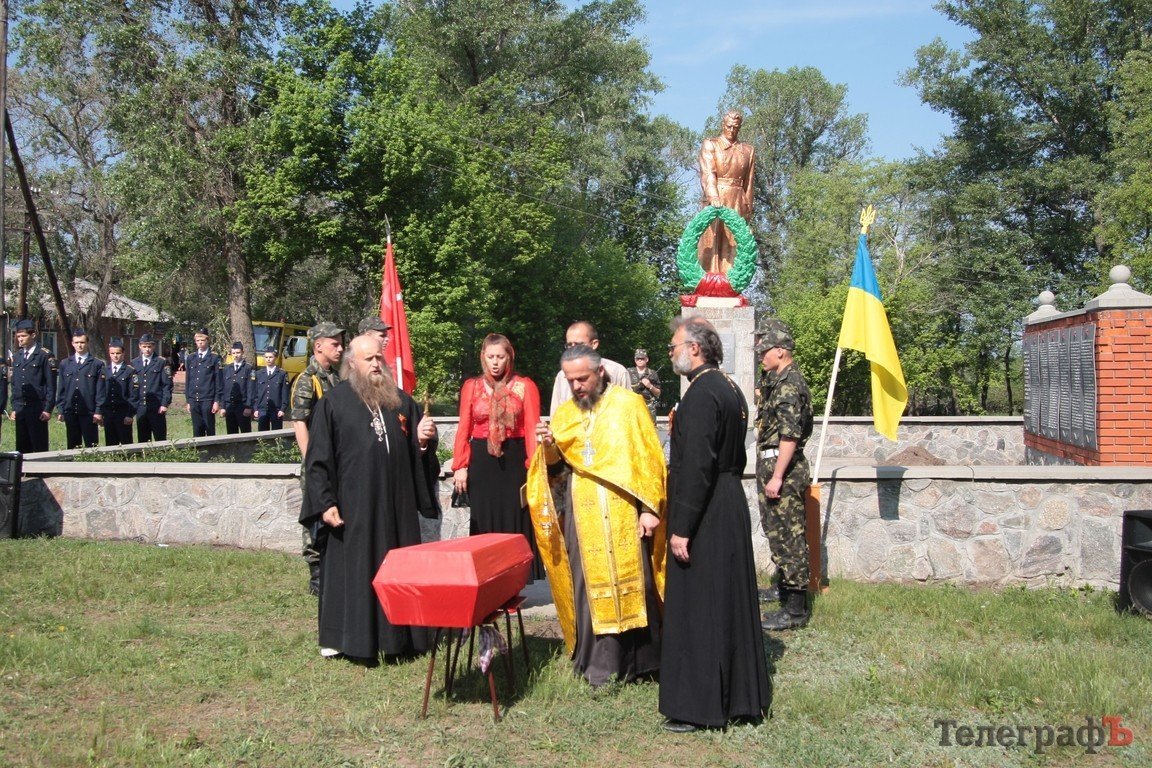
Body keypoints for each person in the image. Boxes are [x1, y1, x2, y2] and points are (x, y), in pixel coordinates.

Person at [527, 344, 666, 687]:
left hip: (625, 509)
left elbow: (649, 459)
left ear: (600, 372)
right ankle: (598, 667)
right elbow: (555, 470)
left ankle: (643, 662)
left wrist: (649, 510)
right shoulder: (564, 415)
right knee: (587, 585)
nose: (577, 387)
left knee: (638, 582)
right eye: (571, 380)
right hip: (582, 512)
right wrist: (547, 446)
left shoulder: (629, 405)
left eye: (583, 379)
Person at [659, 315, 770, 732]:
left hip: (707, 508)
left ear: (695, 348)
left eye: (674, 346)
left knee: (701, 604)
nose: (670, 353)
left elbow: (697, 467)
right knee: (726, 600)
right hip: (727, 502)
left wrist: (682, 526)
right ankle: (739, 697)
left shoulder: (703, 393)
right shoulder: (729, 387)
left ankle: (700, 706)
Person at [302, 334, 440, 663]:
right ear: (352, 364)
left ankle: (401, 637)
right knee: (353, 571)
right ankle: (347, 638)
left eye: (380, 357)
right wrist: (325, 503)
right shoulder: (333, 403)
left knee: (398, 568)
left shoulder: (402, 402)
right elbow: (318, 460)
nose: (377, 363)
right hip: (354, 508)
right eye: (369, 359)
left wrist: (422, 444)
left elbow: (417, 459)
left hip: (396, 509)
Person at [452, 333, 543, 579]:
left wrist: (532, 469)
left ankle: (514, 580)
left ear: (509, 357)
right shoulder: (471, 386)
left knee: (515, 518)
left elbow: (533, 429)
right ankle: (487, 578)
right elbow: (464, 427)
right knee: (484, 518)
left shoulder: (525, 386)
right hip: (482, 461)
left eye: (500, 357)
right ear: (483, 357)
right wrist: (460, 465)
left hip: (515, 460)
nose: (495, 362)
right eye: (490, 357)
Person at [755, 318, 815, 631]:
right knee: (776, 534)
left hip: (785, 470)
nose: (760, 355)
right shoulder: (775, 381)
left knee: (790, 537)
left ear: (780, 351)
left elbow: (790, 436)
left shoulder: (790, 385)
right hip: (772, 464)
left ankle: (795, 611)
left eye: (764, 350)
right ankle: (781, 589)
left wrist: (777, 476)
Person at [291, 322, 344, 596]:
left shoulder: (335, 377)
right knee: (314, 515)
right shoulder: (307, 379)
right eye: (334, 343)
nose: (340, 348)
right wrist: (312, 461)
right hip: (317, 462)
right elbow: (299, 422)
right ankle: (317, 576)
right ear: (318, 345)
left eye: (340, 343)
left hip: (335, 460)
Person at [698, 110, 755, 275]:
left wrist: (748, 211)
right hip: (716, 198)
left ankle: (729, 283)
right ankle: (707, 282)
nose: (732, 130)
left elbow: (749, 183)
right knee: (711, 243)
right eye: (729, 126)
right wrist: (713, 196)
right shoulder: (711, 144)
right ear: (723, 125)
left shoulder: (748, 151)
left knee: (733, 246)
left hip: (737, 199)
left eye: (735, 127)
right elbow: (708, 173)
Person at [548, 321, 631, 416]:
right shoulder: (561, 376)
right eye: (569, 345)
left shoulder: (617, 372)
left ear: (594, 344)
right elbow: (556, 416)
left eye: (578, 344)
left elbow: (628, 412)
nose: (574, 349)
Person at [8, 319, 56, 453]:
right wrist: (14, 407)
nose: (20, 339)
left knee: (38, 444)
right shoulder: (17, 356)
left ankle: (41, 473)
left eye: (23, 336)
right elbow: (15, 384)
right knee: (22, 445)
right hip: (21, 408)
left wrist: (48, 409)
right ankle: (25, 473)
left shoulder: (44, 355)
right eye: (18, 336)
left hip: (37, 408)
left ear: (33, 335)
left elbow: (51, 385)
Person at [56, 328, 106, 449]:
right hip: (70, 411)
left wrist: (99, 411)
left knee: (92, 445)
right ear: (72, 344)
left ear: (87, 343)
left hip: (89, 412)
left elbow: (100, 390)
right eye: (77, 342)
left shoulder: (96, 364)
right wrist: (61, 409)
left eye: (82, 342)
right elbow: (61, 388)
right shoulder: (65, 363)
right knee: (72, 445)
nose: (79, 345)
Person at [132, 333, 173, 442]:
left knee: (160, 438)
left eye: (149, 346)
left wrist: (165, 404)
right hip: (141, 406)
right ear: (140, 346)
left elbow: (167, 385)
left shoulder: (161, 362)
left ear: (154, 346)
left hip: (157, 406)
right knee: (142, 439)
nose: (147, 349)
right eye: (144, 346)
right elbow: (134, 386)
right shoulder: (134, 363)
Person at [100, 338, 139, 446]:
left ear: (123, 353)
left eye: (118, 353)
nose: (115, 356)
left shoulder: (130, 371)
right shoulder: (104, 371)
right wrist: (101, 412)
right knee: (110, 445)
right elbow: (101, 393)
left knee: (126, 444)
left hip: (123, 413)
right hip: (108, 414)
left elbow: (134, 394)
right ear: (109, 353)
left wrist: (130, 414)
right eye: (112, 353)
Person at [184, 327, 222, 437]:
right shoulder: (191, 358)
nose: (200, 343)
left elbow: (218, 381)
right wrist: (188, 400)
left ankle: (211, 452)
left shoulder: (214, 358)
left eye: (202, 340)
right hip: (194, 399)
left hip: (208, 399)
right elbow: (188, 380)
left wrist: (216, 401)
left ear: (207, 340)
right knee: (197, 428)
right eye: (198, 340)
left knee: (209, 427)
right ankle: (199, 452)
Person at [252, 346, 290, 431]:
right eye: (266, 357)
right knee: (262, 435)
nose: (268, 359)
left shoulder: (282, 374)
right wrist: (255, 408)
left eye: (270, 357)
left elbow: (285, 393)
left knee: (276, 435)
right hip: (262, 409)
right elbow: (255, 392)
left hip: (276, 409)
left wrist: (283, 408)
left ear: (275, 358)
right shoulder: (259, 374)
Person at [221, 340, 254, 434]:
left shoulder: (248, 368)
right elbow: (223, 388)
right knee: (231, 433)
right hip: (229, 406)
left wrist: (248, 406)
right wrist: (223, 406)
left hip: (242, 406)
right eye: (234, 353)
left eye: (238, 352)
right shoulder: (227, 368)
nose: (236, 355)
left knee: (246, 433)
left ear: (243, 352)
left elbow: (251, 389)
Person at [627, 348, 662, 422]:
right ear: (635, 360)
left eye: (642, 358)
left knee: (650, 430)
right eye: (637, 358)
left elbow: (658, 393)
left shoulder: (652, 373)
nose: (639, 360)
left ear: (646, 359)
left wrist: (650, 386)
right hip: (632, 406)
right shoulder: (628, 372)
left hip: (648, 407)